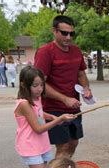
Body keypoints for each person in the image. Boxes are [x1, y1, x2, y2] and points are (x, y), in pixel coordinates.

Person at [14, 66, 76, 168]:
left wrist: (52, 117)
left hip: (41, 145)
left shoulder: (36, 99)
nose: (39, 89)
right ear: (24, 84)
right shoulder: (23, 104)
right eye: (35, 85)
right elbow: (38, 128)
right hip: (30, 147)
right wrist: (60, 119)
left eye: (41, 85)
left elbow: (40, 113)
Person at [34, 15, 93, 159]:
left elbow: (81, 75)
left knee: (73, 142)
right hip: (53, 108)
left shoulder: (76, 51)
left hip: (73, 107)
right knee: (63, 145)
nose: (68, 37)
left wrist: (86, 88)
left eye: (71, 33)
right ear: (54, 31)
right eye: (64, 33)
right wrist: (64, 99)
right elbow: (40, 84)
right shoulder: (45, 52)